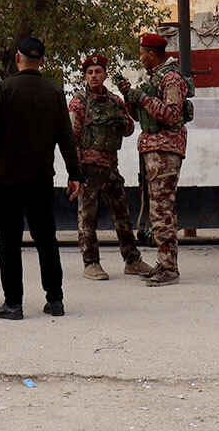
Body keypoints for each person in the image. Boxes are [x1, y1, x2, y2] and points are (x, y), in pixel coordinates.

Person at [0, 37, 83, 319]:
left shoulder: (3, 89)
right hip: (41, 178)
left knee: (9, 241)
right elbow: (66, 139)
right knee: (46, 239)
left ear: (17, 57)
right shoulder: (54, 92)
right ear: (42, 61)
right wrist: (74, 174)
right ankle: (55, 301)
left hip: (6, 178)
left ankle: (14, 304)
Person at [68, 55, 152, 281]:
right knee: (88, 217)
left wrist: (118, 120)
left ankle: (132, 260)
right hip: (89, 168)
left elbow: (129, 128)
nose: (94, 76)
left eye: (98, 71)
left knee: (122, 214)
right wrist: (76, 172)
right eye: (90, 72)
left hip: (110, 167)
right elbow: (71, 139)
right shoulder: (79, 102)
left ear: (105, 74)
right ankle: (91, 263)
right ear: (85, 76)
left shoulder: (115, 100)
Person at [118, 32, 189, 287]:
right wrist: (130, 97)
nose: (140, 58)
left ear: (151, 53)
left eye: (142, 53)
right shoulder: (155, 78)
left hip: (165, 151)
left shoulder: (171, 78)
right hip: (154, 150)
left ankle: (169, 268)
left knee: (163, 209)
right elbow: (141, 117)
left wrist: (143, 98)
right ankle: (164, 262)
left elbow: (171, 115)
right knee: (157, 208)